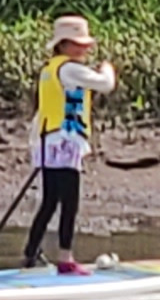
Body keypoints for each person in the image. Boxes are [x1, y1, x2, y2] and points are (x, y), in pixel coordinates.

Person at [26, 15, 117, 272]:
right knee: (69, 201)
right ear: (63, 45)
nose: (84, 49)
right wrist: (107, 67)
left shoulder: (50, 70)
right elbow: (106, 84)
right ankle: (65, 259)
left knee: (50, 201)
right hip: (65, 141)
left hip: (47, 142)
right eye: (77, 44)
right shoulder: (70, 69)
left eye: (85, 44)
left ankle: (31, 253)